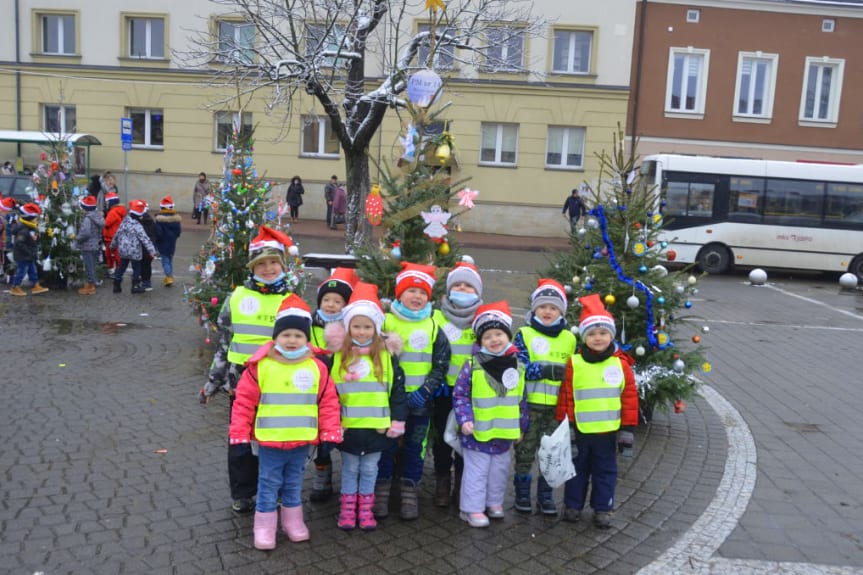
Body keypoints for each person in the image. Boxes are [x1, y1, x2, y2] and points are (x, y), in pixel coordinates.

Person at [228, 294, 342, 549]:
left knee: (293, 483)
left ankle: (293, 522)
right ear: (276, 337)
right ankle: (264, 527)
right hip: (270, 440)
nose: (292, 340)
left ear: (307, 338)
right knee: (268, 482)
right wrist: (239, 434)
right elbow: (244, 402)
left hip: (301, 439)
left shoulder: (317, 367)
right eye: (286, 335)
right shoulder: (261, 366)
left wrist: (330, 431)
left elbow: (328, 401)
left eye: (298, 336)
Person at [200, 226, 297, 515]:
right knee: (241, 442)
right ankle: (243, 493)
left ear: (283, 264)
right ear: (253, 267)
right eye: (261, 263)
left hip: (280, 386)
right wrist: (212, 383)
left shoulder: (291, 301)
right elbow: (225, 344)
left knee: (277, 442)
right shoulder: (237, 297)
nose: (268, 268)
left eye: (273, 262)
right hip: (240, 386)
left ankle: (276, 492)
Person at [323, 282, 408, 531]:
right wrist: (332, 424)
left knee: (370, 469)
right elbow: (330, 394)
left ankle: (365, 510)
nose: (361, 331)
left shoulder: (387, 357)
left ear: (377, 328)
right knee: (350, 469)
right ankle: (348, 510)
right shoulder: (338, 357)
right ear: (348, 328)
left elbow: (397, 393)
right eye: (356, 326)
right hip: (348, 428)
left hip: (377, 428)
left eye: (367, 326)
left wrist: (397, 420)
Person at [556, 293, 638, 529]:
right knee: (576, 470)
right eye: (591, 333)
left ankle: (603, 508)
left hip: (607, 432)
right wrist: (566, 426)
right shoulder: (575, 363)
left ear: (611, 335)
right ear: (584, 337)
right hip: (580, 431)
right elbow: (567, 397)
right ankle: (572, 505)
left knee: (605, 472)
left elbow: (629, 397)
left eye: (603, 333)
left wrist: (627, 430)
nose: (598, 338)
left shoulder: (620, 364)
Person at [376, 262, 450, 520]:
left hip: (420, 402)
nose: (417, 297)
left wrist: (427, 389)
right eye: (411, 291)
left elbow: (441, 363)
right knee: (385, 445)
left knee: (414, 447)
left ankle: (409, 493)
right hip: (389, 402)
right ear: (399, 294)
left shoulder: (432, 327)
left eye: (422, 293)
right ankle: (382, 492)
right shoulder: (384, 322)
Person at [453, 300, 527, 527]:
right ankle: (471, 509)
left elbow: (521, 399)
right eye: (487, 337)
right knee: (477, 471)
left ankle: (493, 503)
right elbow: (460, 395)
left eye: (498, 334)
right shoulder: (472, 364)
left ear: (508, 336)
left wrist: (521, 427)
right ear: (480, 341)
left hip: (504, 431)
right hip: (479, 431)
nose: (494, 340)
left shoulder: (517, 366)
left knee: (499, 470)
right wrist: (465, 419)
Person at [512, 278, 577, 515]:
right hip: (529, 406)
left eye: (553, 307)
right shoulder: (524, 333)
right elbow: (517, 368)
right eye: (542, 306)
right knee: (525, 452)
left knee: (552, 452)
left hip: (556, 410)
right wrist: (545, 370)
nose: (547, 311)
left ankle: (545, 495)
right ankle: (521, 492)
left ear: (561, 311)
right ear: (534, 309)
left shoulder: (569, 338)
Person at [431, 260, 484, 506]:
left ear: (478, 292)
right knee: (442, 438)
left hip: (471, 394)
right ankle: (443, 480)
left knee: (467, 438)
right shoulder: (437, 318)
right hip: (443, 390)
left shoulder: (483, 320)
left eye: (468, 286)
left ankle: (463, 483)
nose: (462, 290)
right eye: (458, 285)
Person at [308, 266, 360, 502]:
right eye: (326, 299)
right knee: (320, 439)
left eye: (337, 301)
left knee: (347, 436)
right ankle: (323, 477)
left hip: (344, 393)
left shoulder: (352, 329)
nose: (330, 304)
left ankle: (352, 479)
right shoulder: (309, 326)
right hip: (317, 394)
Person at [111, 200, 156, 295]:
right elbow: (145, 239)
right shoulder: (138, 226)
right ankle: (135, 286)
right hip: (135, 252)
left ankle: (116, 285)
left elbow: (117, 235)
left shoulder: (124, 223)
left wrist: (113, 246)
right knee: (136, 269)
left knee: (121, 267)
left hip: (123, 251)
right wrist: (152, 250)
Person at [8, 203, 49, 296]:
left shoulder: (31, 228)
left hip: (29, 255)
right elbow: (19, 243)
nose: (36, 219)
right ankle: (15, 286)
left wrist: (37, 238)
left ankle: (35, 285)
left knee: (33, 270)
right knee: (21, 271)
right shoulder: (23, 230)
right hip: (23, 256)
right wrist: (28, 252)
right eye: (35, 218)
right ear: (29, 218)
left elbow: (33, 239)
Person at [75, 195, 105, 295]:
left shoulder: (88, 219)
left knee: (89, 266)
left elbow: (85, 232)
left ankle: (91, 286)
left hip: (87, 246)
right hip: (95, 245)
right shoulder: (98, 216)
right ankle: (90, 283)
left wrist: (78, 238)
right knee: (92, 265)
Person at [154, 196, 182, 287]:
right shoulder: (176, 219)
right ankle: (170, 276)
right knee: (169, 259)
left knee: (165, 261)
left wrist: (156, 240)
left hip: (162, 243)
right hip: (172, 242)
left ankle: (169, 277)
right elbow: (178, 231)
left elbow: (158, 233)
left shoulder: (159, 220)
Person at [102, 191, 126, 276]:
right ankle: (117, 269)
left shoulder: (112, 212)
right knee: (116, 254)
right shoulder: (120, 210)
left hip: (110, 236)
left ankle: (113, 270)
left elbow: (106, 223)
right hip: (116, 235)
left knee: (110, 255)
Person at [138, 202, 157, 291]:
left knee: (142, 265)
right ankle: (146, 281)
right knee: (147, 265)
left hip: (142, 247)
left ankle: (145, 282)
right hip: (149, 247)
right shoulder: (151, 221)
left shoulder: (140, 222)